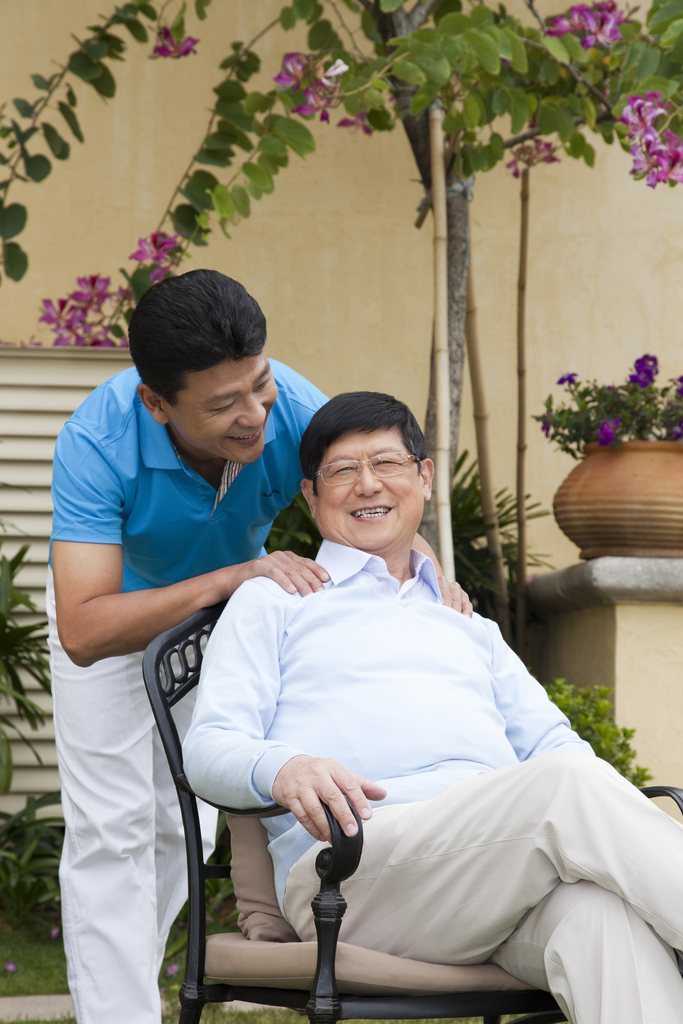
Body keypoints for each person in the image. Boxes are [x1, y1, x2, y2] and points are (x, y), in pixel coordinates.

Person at [48, 273, 469, 1024]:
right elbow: (83, 629)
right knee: (114, 829)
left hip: (224, 622)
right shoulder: (96, 440)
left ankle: (124, 995)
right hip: (119, 624)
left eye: (259, 385)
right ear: (157, 403)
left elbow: (374, 499)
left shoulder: (294, 407)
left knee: (181, 827)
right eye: (222, 404)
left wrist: (433, 582)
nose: (253, 417)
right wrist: (233, 577)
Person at [185, 390, 683, 1024]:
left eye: (387, 463)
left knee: (604, 919)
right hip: (354, 868)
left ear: (423, 477)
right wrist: (286, 768)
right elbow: (208, 748)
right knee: (565, 787)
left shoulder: (467, 623)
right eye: (342, 470)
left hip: (496, 877)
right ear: (311, 498)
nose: (367, 484)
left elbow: (558, 748)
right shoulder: (275, 602)